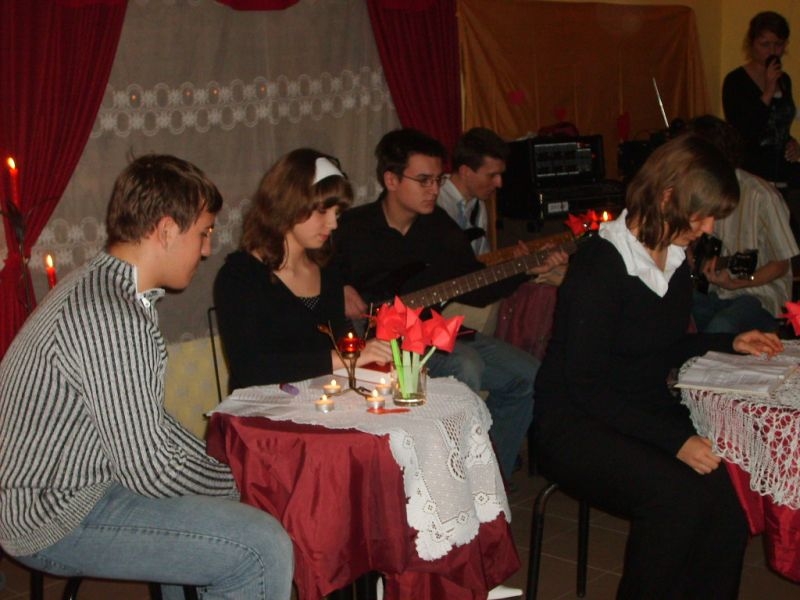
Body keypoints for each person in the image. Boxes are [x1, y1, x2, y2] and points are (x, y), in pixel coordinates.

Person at [0, 155, 293, 600]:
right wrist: (239, 483)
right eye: (204, 232)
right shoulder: (112, 314)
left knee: (206, 513)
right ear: (167, 230)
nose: (207, 249)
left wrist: (224, 466)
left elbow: (150, 426)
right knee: (263, 545)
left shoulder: (104, 287)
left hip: (75, 486)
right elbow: (152, 469)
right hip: (51, 512)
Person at [533, 135, 784, 599]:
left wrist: (728, 341)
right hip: (575, 422)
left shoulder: (674, 259)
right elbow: (585, 385)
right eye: (701, 214)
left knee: (729, 505)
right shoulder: (600, 265)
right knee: (676, 500)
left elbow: (661, 347)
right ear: (667, 196)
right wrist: (676, 442)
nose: (708, 227)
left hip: (635, 411)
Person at [333, 128, 567, 481]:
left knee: (530, 375)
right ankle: (450, 478)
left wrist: (526, 270)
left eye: (438, 180)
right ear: (391, 180)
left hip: (428, 331)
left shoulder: (438, 227)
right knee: (465, 364)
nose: (434, 190)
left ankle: (489, 477)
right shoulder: (352, 227)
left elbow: (474, 286)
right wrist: (339, 287)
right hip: (376, 342)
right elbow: (308, 273)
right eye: (424, 180)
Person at [214, 148, 391, 391]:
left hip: (322, 397)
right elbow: (250, 368)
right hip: (264, 407)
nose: (333, 223)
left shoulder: (327, 269)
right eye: (322, 211)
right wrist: (348, 356)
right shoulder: (240, 276)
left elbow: (337, 346)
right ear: (288, 205)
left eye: (337, 213)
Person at [687, 115, 798, 334]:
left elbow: (781, 264)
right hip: (713, 291)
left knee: (722, 327)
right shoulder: (696, 193)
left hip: (759, 294)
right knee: (668, 315)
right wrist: (690, 255)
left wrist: (741, 282)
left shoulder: (762, 196)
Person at [723, 11, 800, 186]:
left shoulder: (784, 80)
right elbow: (743, 130)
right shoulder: (735, 80)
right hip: (752, 174)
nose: (772, 51)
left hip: (783, 171)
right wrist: (768, 91)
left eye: (778, 44)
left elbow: (779, 125)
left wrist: (792, 144)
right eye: (765, 44)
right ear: (752, 44)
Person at [437, 127, 508, 256]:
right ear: (465, 172)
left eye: (500, 175)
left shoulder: (478, 204)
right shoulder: (434, 201)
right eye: (492, 175)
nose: (499, 183)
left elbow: (482, 259)